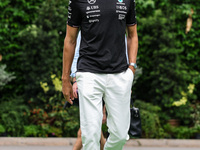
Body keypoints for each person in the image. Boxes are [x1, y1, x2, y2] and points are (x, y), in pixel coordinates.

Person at [62, 0, 138, 149]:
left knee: (121, 135)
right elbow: (70, 40)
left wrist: (131, 69)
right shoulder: (78, 1)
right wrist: (66, 79)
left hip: (120, 74)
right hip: (88, 73)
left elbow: (132, 35)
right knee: (90, 135)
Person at [71, 32, 106, 150]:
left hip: (108, 81)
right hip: (88, 81)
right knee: (89, 130)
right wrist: (75, 80)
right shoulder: (87, 27)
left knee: (88, 131)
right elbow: (76, 54)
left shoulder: (114, 24)